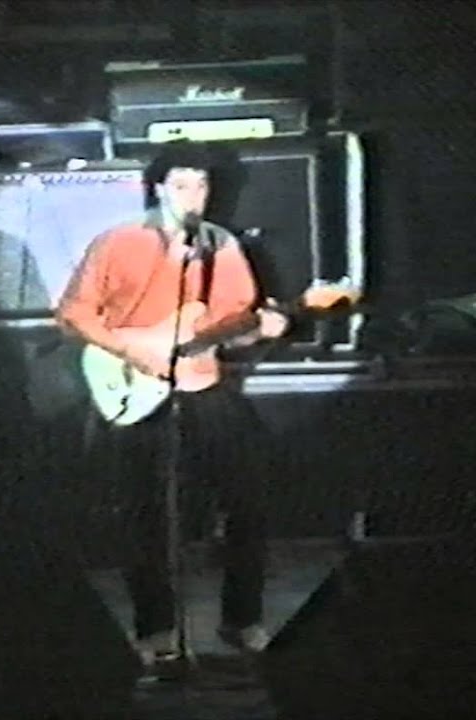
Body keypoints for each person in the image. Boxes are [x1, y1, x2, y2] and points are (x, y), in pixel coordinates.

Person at [55, 141, 290, 665]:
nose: (193, 196)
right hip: (136, 386)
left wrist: (261, 328)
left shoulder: (222, 246)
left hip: (203, 383)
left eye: (202, 185)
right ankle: (157, 631)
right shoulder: (117, 242)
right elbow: (73, 313)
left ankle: (242, 620)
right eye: (182, 184)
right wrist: (131, 349)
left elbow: (231, 325)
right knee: (149, 514)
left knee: (249, 499)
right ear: (158, 187)